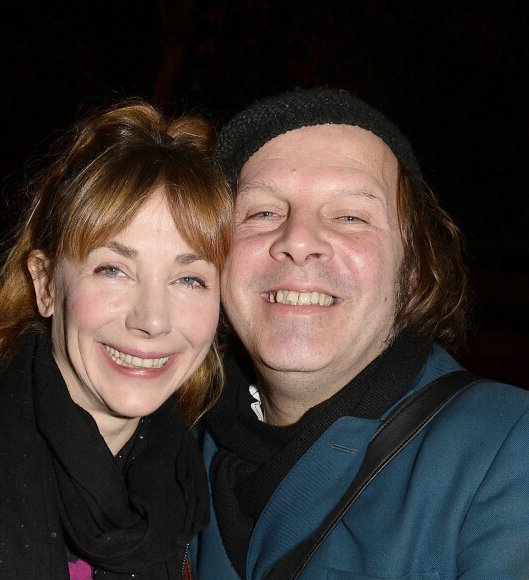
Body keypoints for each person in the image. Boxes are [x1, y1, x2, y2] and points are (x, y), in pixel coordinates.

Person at [190, 87, 529, 579]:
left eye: (351, 216)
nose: (298, 241)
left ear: (413, 269)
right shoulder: (168, 447)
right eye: (262, 212)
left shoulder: (505, 450)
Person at [0, 100, 232, 579]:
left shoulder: (195, 486)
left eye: (189, 280)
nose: (153, 320)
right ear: (45, 283)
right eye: (113, 269)